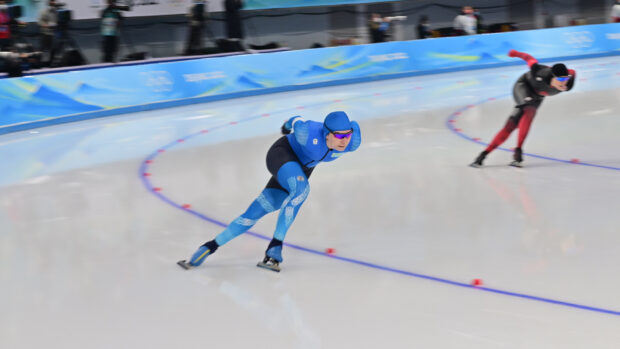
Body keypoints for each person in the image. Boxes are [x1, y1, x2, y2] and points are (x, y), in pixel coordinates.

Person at [178, 111, 362, 272]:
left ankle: (209, 247)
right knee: (301, 190)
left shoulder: (352, 142)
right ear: (326, 134)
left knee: (256, 211)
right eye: (338, 136)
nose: (344, 141)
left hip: (302, 169)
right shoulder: (308, 133)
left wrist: (348, 135)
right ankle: (275, 247)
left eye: (347, 135)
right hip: (282, 154)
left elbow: (352, 130)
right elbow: (296, 119)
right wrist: (286, 126)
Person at [470, 50, 576, 168]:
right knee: (528, 110)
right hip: (523, 86)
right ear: (552, 77)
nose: (564, 83)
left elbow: (573, 72)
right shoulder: (540, 73)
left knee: (515, 123)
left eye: (566, 79)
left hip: (538, 96)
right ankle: (509, 150)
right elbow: (528, 58)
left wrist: (566, 79)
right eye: (561, 80)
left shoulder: (568, 82)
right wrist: (514, 53)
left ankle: (491, 154)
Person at [38, 0, 58, 65]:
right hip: (45, 33)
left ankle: (50, 63)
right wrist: (46, 25)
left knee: (52, 49)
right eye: (52, 1)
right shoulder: (44, 12)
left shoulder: (56, 12)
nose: (53, 2)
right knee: (44, 49)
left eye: (54, 1)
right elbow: (40, 21)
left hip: (54, 33)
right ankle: (42, 63)